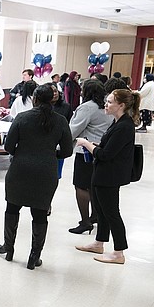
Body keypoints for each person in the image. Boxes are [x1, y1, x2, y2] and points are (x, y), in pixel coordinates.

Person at [0, 85, 73, 269]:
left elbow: (8, 147)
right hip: (46, 172)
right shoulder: (61, 121)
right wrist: (50, 156)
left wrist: (21, 153)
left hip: (20, 170)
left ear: (34, 99)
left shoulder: (22, 118)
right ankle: (34, 256)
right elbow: (68, 150)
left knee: (12, 208)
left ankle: (9, 248)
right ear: (52, 99)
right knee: (40, 214)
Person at [75, 89, 139, 264]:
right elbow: (108, 147)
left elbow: (105, 155)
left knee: (111, 213)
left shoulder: (125, 126)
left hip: (110, 175)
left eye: (110, 102)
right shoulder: (117, 122)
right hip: (103, 173)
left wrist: (87, 144)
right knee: (102, 211)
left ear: (122, 105)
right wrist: (95, 145)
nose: (106, 104)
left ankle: (119, 252)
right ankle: (99, 242)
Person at [68, 80, 112, 234]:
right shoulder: (106, 106)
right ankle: (95, 216)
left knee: (81, 186)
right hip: (101, 150)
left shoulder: (87, 107)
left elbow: (73, 130)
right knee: (94, 185)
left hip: (85, 152)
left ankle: (85, 221)